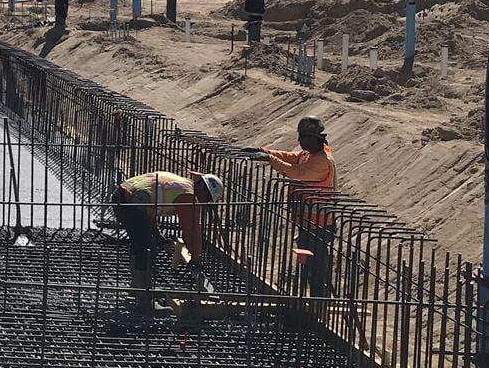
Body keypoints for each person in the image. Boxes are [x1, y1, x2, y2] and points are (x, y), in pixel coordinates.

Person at [247, 116, 336, 299]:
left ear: (312, 138)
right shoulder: (309, 154)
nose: (299, 141)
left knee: (317, 265)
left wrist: (270, 159)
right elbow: (291, 157)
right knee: (309, 264)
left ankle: (320, 300)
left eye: (302, 137)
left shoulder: (322, 160)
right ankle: (315, 298)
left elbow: (297, 173)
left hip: (319, 224)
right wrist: (262, 151)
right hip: (307, 222)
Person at [111, 170, 224, 311]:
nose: (203, 202)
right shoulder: (188, 196)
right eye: (206, 199)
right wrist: (195, 258)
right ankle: (145, 301)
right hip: (132, 201)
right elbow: (191, 230)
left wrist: (157, 235)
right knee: (146, 249)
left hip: (124, 196)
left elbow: (150, 205)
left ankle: (137, 291)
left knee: (141, 244)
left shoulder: (181, 185)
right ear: (203, 190)